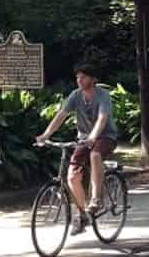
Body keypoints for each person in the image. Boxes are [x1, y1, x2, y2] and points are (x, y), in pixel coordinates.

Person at [36, 63, 119, 235]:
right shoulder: (75, 95)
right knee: (72, 176)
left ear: (93, 79)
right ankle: (82, 215)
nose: (79, 80)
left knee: (95, 155)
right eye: (77, 77)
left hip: (105, 137)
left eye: (83, 77)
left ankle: (96, 199)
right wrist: (45, 135)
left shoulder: (103, 96)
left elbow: (102, 119)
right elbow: (61, 115)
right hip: (84, 139)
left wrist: (93, 137)